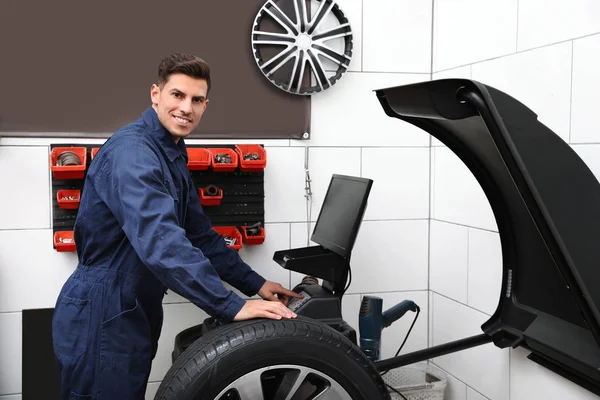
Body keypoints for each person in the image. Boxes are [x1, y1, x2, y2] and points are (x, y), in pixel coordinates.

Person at [51, 53, 302, 399]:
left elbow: (199, 236)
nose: (187, 107)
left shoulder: (169, 151)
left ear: (205, 105)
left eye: (197, 100)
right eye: (177, 95)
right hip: (104, 309)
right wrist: (230, 305)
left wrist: (255, 284)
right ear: (156, 94)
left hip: (129, 306)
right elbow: (161, 241)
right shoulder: (134, 154)